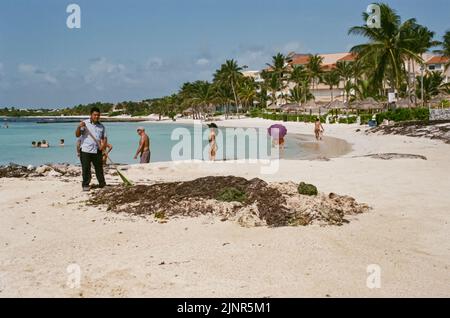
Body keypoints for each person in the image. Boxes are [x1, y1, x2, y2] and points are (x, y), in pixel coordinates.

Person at [75, 107, 107, 191]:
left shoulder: (101, 126)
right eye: (95, 115)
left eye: (98, 115)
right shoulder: (84, 123)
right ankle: (85, 185)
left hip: (97, 150)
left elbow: (104, 138)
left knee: (99, 168)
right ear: (91, 115)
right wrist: (79, 127)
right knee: (86, 168)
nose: (96, 116)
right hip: (85, 150)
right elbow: (77, 135)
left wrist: (103, 146)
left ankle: (102, 183)